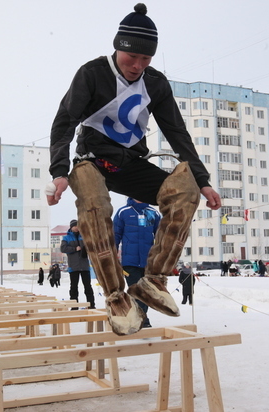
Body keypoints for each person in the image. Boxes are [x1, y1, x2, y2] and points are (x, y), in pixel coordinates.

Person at [46, 4, 220, 335]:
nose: (137, 66)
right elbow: (65, 121)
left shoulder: (155, 83)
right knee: (95, 205)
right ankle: (116, 298)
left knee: (184, 191)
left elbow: (177, 132)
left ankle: (153, 281)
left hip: (130, 164)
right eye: (131, 59)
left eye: (146, 60)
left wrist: (203, 181)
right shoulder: (93, 74)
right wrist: (58, 172)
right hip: (91, 161)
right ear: (118, 47)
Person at [114, 197, 161, 328]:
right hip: (130, 261)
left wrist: (161, 256)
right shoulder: (123, 212)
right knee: (135, 290)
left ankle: (138, 318)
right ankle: (142, 320)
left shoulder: (153, 213)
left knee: (145, 291)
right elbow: (115, 235)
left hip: (148, 261)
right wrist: (113, 255)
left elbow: (160, 236)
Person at [61, 220, 96, 310]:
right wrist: (74, 248)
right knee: (73, 287)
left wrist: (86, 249)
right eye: (74, 226)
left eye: (78, 226)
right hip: (73, 267)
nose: (76, 227)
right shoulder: (66, 238)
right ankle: (74, 306)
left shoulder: (84, 236)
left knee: (88, 287)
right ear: (71, 227)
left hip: (84, 266)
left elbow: (92, 247)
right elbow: (63, 248)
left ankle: (91, 305)